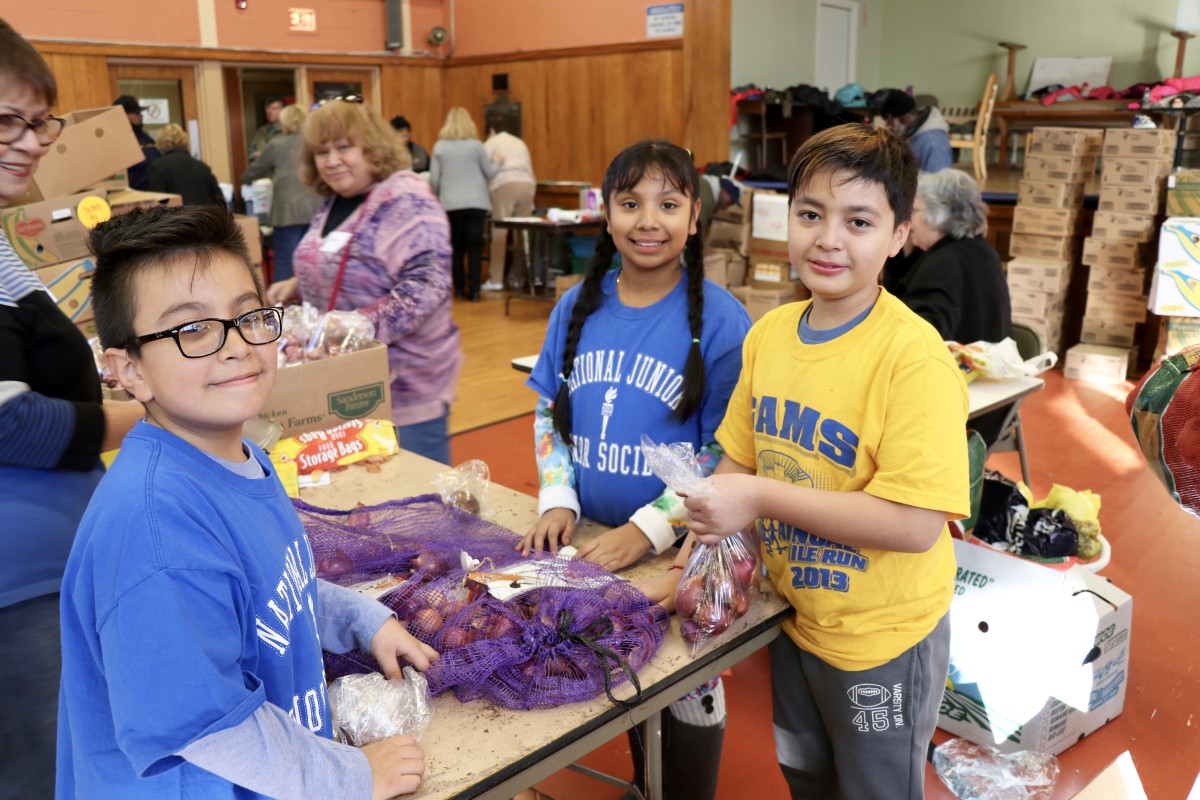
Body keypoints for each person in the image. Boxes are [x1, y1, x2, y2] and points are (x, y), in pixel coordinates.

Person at [58, 204, 438, 799]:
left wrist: (359, 620)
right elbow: (210, 728)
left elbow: (270, 594)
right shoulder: (155, 529)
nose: (235, 346)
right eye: (192, 330)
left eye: (248, 316)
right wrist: (352, 776)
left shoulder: (237, 455)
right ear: (128, 369)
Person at [681, 125, 970, 800]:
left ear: (900, 233)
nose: (828, 238)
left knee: (874, 792)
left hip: (882, 641)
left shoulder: (913, 358)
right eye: (810, 214)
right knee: (806, 777)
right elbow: (738, 461)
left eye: (859, 221)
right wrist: (704, 557)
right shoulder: (771, 336)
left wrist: (756, 499)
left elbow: (913, 525)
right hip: (796, 616)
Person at [518, 140, 752, 800]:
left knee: (685, 680)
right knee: (618, 661)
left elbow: (720, 454)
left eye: (669, 204)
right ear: (607, 213)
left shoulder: (723, 323)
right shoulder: (577, 306)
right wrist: (557, 498)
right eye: (630, 203)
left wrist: (650, 530)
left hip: (678, 544)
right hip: (587, 534)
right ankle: (644, 781)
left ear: (695, 219)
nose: (648, 220)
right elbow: (549, 412)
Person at [0, 21, 141, 800]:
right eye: (6, 121)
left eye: (40, 122)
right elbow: (9, 421)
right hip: (18, 589)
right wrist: (142, 420)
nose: (29, 142)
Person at [265, 101, 461, 464]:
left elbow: (427, 285)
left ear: (371, 146)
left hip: (404, 388)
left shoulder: (404, 197)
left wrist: (356, 324)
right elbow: (342, 259)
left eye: (344, 147)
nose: (332, 160)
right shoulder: (336, 199)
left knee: (415, 497)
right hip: (346, 381)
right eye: (322, 152)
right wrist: (298, 283)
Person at [885, 168, 1011, 443]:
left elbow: (917, 339)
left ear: (938, 215)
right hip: (992, 398)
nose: (908, 220)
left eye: (914, 211)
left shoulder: (944, 264)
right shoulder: (980, 251)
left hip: (959, 414)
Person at [242, 104, 322, 281]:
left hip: (287, 212)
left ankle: (281, 307)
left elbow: (252, 172)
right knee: (312, 262)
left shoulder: (276, 144)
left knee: (285, 262)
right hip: (316, 209)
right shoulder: (314, 144)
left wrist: (245, 180)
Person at [430, 107, 499, 301]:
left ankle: (459, 289)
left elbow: (434, 180)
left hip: (451, 204)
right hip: (476, 203)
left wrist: (436, 197)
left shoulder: (440, 147)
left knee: (456, 248)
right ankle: (475, 291)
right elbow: (490, 173)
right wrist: (498, 162)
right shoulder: (476, 146)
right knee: (475, 247)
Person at [482, 116, 535, 292]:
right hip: (526, 185)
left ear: (491, 131)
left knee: (499, 232)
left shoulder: (491, 142)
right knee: (522, 233)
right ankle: (518, 279)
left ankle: (496, 280)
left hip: (505, 183)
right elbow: (530, 170)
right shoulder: (520, 143)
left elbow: (486, 171)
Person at [147, 123, 225, 206]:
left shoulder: (157, 167)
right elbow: (220, 202)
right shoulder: (203, 167)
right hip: (202, 218)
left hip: (176, 218)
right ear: (184, 141)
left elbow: (157, 206)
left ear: (160, 143)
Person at [881, 89, 953, 173]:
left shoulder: (933, 145)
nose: (888, 128)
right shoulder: (913, 134)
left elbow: (938, 184)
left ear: (903, 119)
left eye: (889, 123)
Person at [113, 93, 160, 190]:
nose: (140, 115)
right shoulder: (116, 140)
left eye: (140, 112)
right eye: (136, 112)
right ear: (123, 114)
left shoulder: (146, 138)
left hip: (155, 192)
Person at [248, 96, 284, 162]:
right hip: (263, 171)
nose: (270, 111)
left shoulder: (286, 130)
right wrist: (254, 155)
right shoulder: (261, 131)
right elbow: (251, 150)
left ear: (282, 111)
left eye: (274, 108)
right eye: (268, 108)